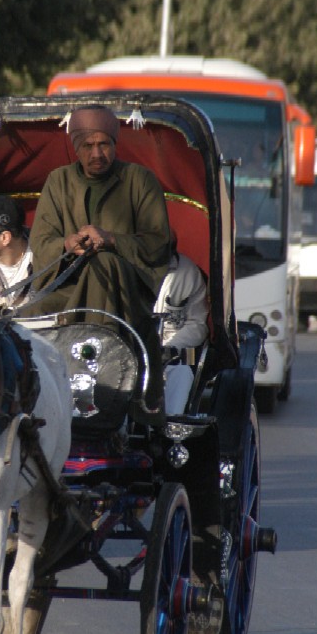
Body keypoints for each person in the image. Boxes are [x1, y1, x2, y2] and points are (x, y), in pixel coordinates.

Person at [28, 105, 171, 418]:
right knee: (16, 322)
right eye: (88, 146)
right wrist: (67, 245)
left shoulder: (140, 180)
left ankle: (105, 377)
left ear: (115, 145)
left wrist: (111, 240)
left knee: (104, 262)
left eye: (103, 144)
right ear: (76, 148)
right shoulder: (58, 182)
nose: (97, 153)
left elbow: (159, 243)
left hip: (126, 293)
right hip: (68, 292)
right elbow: (40, 244)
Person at [154, 233, 209, 414]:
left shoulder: (189, 274)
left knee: (181, 373)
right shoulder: (123, 268)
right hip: (128, 349)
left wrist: (169, 348)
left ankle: (170, 431)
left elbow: (198, 325)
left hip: (169, 353)